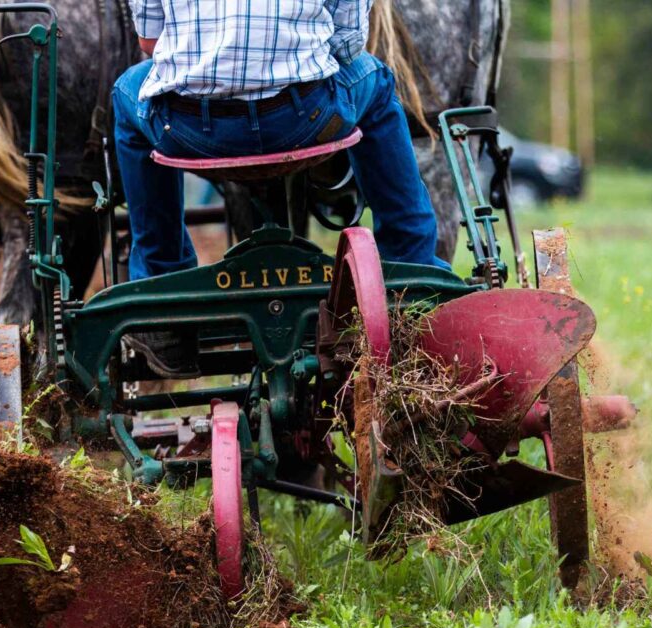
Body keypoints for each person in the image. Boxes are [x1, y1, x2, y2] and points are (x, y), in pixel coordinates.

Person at [113, 0, 450, 377]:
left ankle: (164, 294)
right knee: (379, 81)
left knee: (126, 93)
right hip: (303, 119)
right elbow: (349, 44)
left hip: (192, 130)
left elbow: (150, 42)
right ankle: (412, 267)